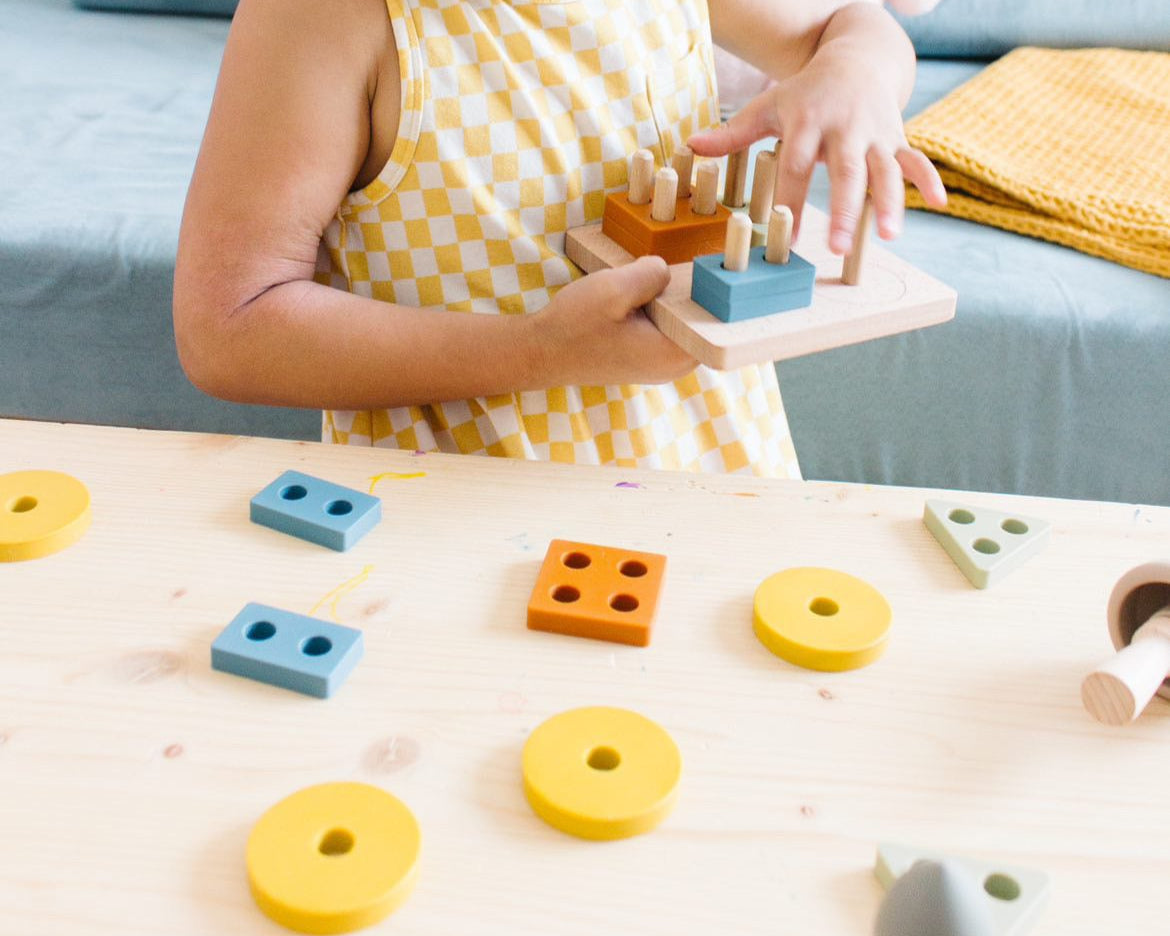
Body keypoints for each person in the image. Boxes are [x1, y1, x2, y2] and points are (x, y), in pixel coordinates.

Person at [174, 0, 946, 477]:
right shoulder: (323, 15)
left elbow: (857, 25)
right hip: (447, 508)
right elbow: (227, 327)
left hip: (713, 471)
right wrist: (545, 349)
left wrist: (856, 72)